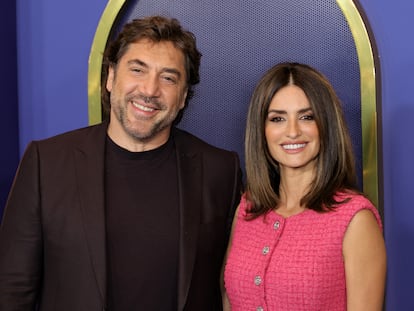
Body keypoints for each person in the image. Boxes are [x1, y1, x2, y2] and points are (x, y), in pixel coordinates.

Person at [0, 16, 242, 310]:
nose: (149, 90)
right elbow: (12, 289)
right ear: (111, 78)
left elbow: (233, 286)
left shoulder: (220, 171)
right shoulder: (46, 163)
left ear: (183, 97)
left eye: (168, 77)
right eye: (137, 70)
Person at [222, 62, 386, 311]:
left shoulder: (354, 219)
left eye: (307, 117)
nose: (292, 131)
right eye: (277, 118)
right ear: (262, 130)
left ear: (326, 126)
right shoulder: (247, 208)